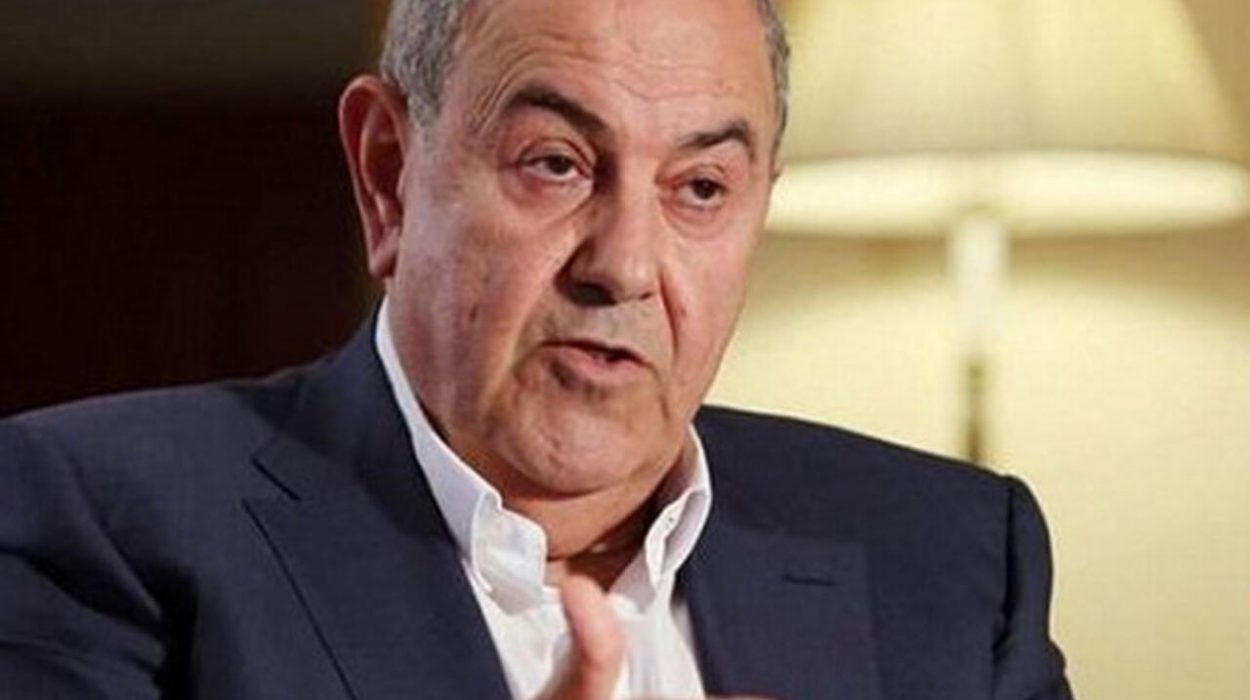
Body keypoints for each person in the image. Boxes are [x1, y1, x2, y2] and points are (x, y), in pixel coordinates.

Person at [0, 0, 1074, 698]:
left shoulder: (953, 559)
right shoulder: (92, 519)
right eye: (555, 164)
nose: (625, 264)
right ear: (387, 175)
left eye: (701, 188)